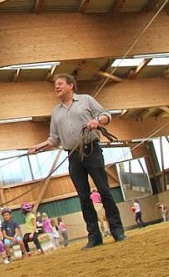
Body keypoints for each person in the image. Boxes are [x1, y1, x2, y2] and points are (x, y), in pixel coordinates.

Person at [29, 73, 128, 250]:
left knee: (104, 191)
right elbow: (54, 138)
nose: (56, 87)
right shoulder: (55, 112)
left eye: (59, 84)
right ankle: (94, 237)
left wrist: (97, 121)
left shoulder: (86, 100)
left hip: (92, 150)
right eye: (55, 85)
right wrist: (40, 146)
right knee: (83, 197)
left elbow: (106, 114)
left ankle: (117, 231)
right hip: (73, 156)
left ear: (71, 85)